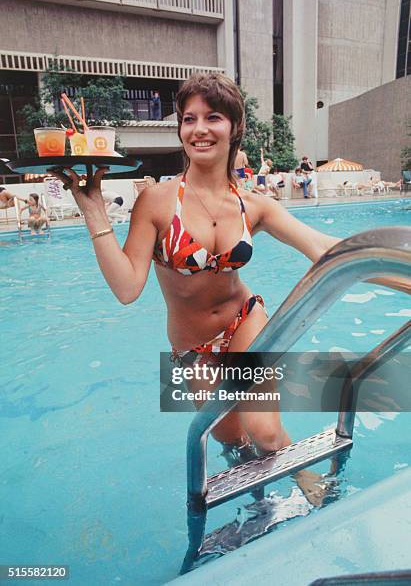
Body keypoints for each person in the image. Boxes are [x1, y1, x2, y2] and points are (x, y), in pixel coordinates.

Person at [49, 72, 409, 503]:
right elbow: (127, 289)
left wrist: (399, 272)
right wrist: (93, 212)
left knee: (268, 435)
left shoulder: (251, 203)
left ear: (234, 127)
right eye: (188, 118)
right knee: (234, 444)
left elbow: (323, 248)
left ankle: (309, 489)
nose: (199, 129)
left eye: (212, 117)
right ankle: (263, 506)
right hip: (192, 348)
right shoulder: (158, 201)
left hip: (244, 320)